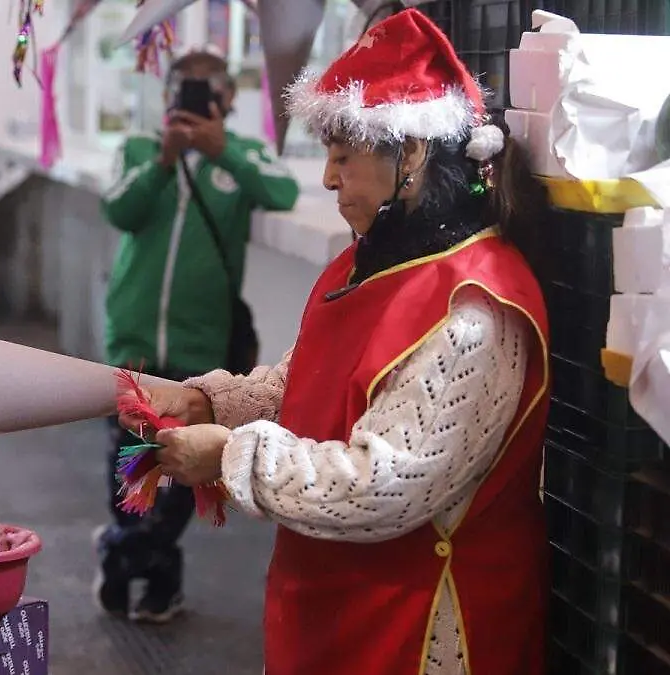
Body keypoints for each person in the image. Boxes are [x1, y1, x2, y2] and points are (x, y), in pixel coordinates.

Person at [120, 10, 551, 674]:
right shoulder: (363, 266)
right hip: (336, 602)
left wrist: (233, 454)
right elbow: (305, 384)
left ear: (410, 153)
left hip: (421, 625)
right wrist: (212, 402)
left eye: (344, 156)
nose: (327, 178)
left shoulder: (477, 308)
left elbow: (383, 485)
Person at [96, 45, 300, 624]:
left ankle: (122, 552)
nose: (191, 98)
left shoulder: (242, 156)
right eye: (182, 87)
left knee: (181, 471)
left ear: (229, 100)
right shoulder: (140, 150)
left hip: (200, 348)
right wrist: (164, 160)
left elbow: (280, 190)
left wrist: (223, 151)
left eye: (206, 90)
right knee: (131, 464)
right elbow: (120, 209)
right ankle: (159, 580)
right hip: (133, 336)